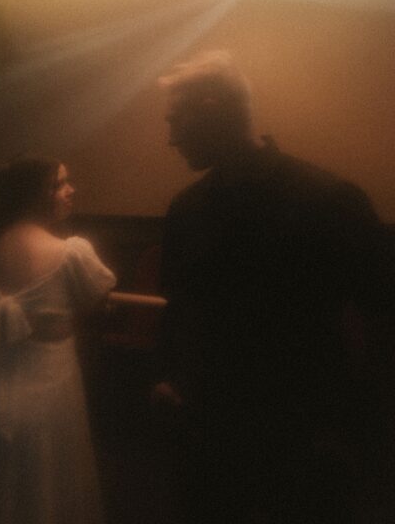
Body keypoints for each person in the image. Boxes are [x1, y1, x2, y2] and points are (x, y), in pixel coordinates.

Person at [152, 50, 395, 524]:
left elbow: (385, 311)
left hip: (305, 441)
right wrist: (166, 376)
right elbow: (180, 308)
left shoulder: (328, 199)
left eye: (175, 119)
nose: (170, 138)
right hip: (209, 435)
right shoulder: (186, 207)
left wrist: (362, 434)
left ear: (211, 105)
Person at [0, 156, 116, 524]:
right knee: (50, 477)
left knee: (1, 482)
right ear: (39, 194)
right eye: (61, 183)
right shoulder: (71, 251)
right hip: (47, 386)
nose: (71, 190)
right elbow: (98, 303)